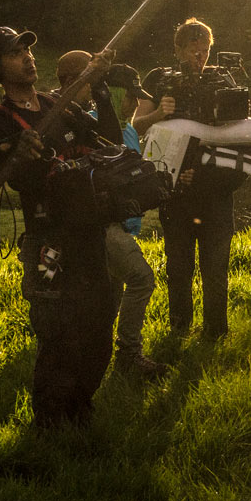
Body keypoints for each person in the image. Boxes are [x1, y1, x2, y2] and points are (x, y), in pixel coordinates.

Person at [0, 27, 115, 428]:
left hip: (89, 232)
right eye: (16, 53)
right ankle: (50, 425)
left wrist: (100, 90)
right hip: (49, 241)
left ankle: (81, 408)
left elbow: (114, 145)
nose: (28, 57)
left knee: (100, 324)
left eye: (28, 50)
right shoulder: (1, 123)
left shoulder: (58, 104)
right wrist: (15, 153)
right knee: (59, 332)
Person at [132, 18, 246, 338]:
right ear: (178, 49)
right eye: (193, 50)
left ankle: (215, 334)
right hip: (175, 191)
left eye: (206, 50)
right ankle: (179, 331)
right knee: (178, 267)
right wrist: (160, 113)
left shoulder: (222, 79)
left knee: (215, 268)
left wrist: (208, 174)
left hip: (215, 190)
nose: (200, 57)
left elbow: (236, 137)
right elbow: (136, 127)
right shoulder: (160, 80)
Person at [55, 51, 166, 379]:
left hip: (102, 216)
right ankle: (128, 353)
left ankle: (102, 352)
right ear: (79, 79)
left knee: (112, 289)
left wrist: (102, 98)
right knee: (142, 279)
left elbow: (112, 146)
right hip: (87, 223)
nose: (97, 88)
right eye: (93, 81)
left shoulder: (86, 114)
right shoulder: (54, 113)